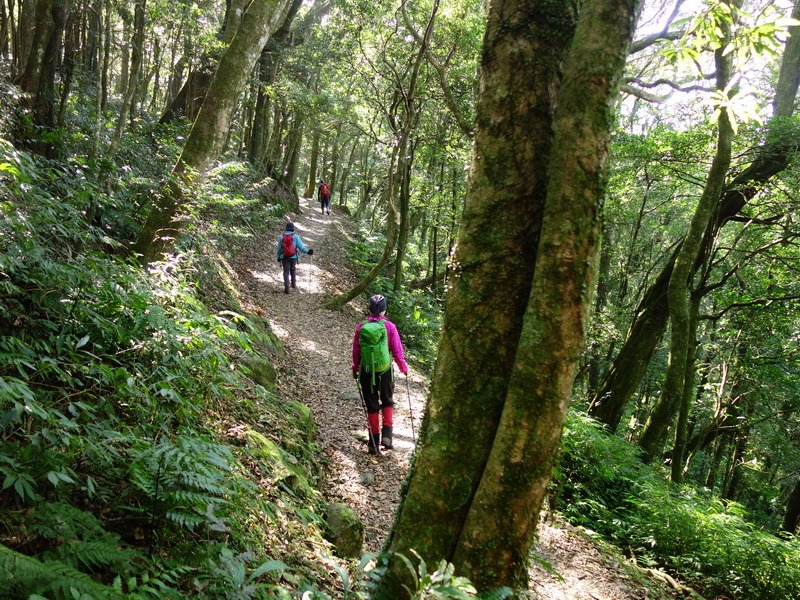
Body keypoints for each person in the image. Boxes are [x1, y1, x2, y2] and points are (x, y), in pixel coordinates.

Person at [352, 294, 409, 454]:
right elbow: (397, 351)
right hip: (384, 371)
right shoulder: (389, 327)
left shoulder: (360, 327)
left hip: (366, 373)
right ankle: (387, 437)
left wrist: (355, 368)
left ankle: (373, 443)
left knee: (371, 406)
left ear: (369, 309)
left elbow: (356, 350)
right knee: (387, 401)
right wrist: (403, 368)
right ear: (384, 310)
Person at [276, 222, 313, 293]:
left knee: (286, 271)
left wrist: (278, 257)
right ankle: (293, 284)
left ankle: (286, 286)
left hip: (284, 256)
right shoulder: (295, 236)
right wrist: (308, 251)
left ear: (286, 229)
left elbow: (279, 248)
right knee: (293, 270)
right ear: (293, 229)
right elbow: (301, 247)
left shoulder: (281, 237)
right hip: (293, 257)